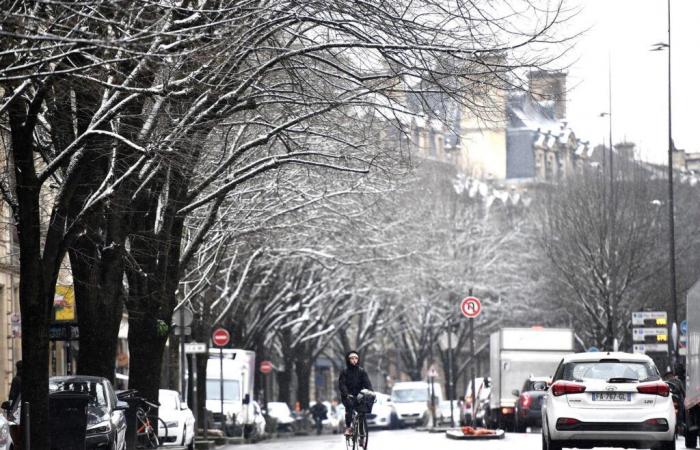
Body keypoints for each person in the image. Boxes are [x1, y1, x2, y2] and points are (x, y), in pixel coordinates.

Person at [338, 350, 373, 437]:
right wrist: (346, 394)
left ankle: (361, 433)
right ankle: (348, 427)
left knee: (362, 412)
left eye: (356, 358)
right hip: (347, 396)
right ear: (348, 360)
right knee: (349, 407)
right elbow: (342, 384)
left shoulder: (362, 371)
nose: (354, 360)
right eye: (352, 358)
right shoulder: (344, 372)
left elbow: (367, 383)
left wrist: (371, 392)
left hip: (359, 395)